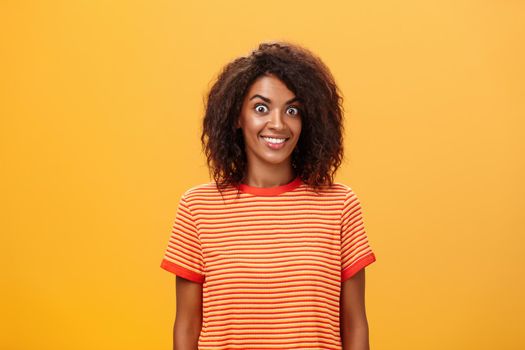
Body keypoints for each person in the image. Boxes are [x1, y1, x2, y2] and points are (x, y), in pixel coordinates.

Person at [160, 41, 377, 350]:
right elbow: (186, 326)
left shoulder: (339, 205)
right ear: (237, 116)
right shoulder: (198, 207)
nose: (278, 124)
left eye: (292, 110)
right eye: (261, 108)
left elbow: (355, 325)